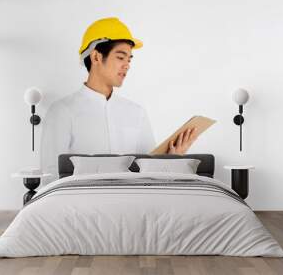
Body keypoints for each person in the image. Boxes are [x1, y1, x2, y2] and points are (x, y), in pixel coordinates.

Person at [41, 17, 197, 179]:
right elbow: (51, 176)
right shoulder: (62, 111)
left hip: (132, 202)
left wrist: (171, 158)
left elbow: (149, 174)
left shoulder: (137, 112)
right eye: (121, 57)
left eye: (129, 59)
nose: (127, 65)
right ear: (96, 57)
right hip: (82, 202)